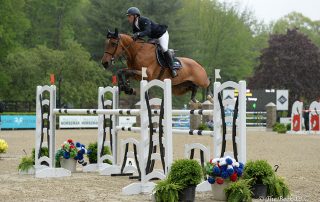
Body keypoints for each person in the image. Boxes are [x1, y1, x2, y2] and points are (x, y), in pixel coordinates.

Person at [126, 7, 177, 77]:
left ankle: (172, 68)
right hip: (153, 37)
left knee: (164, 48)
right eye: (128, 16)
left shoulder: (144, 20)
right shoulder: (134, 25)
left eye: (129, 16)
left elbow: (147, 31)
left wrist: (137, 34)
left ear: (135, 16)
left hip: (162, 34)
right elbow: (137, 38)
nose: (128, 18)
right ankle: (145, 72)